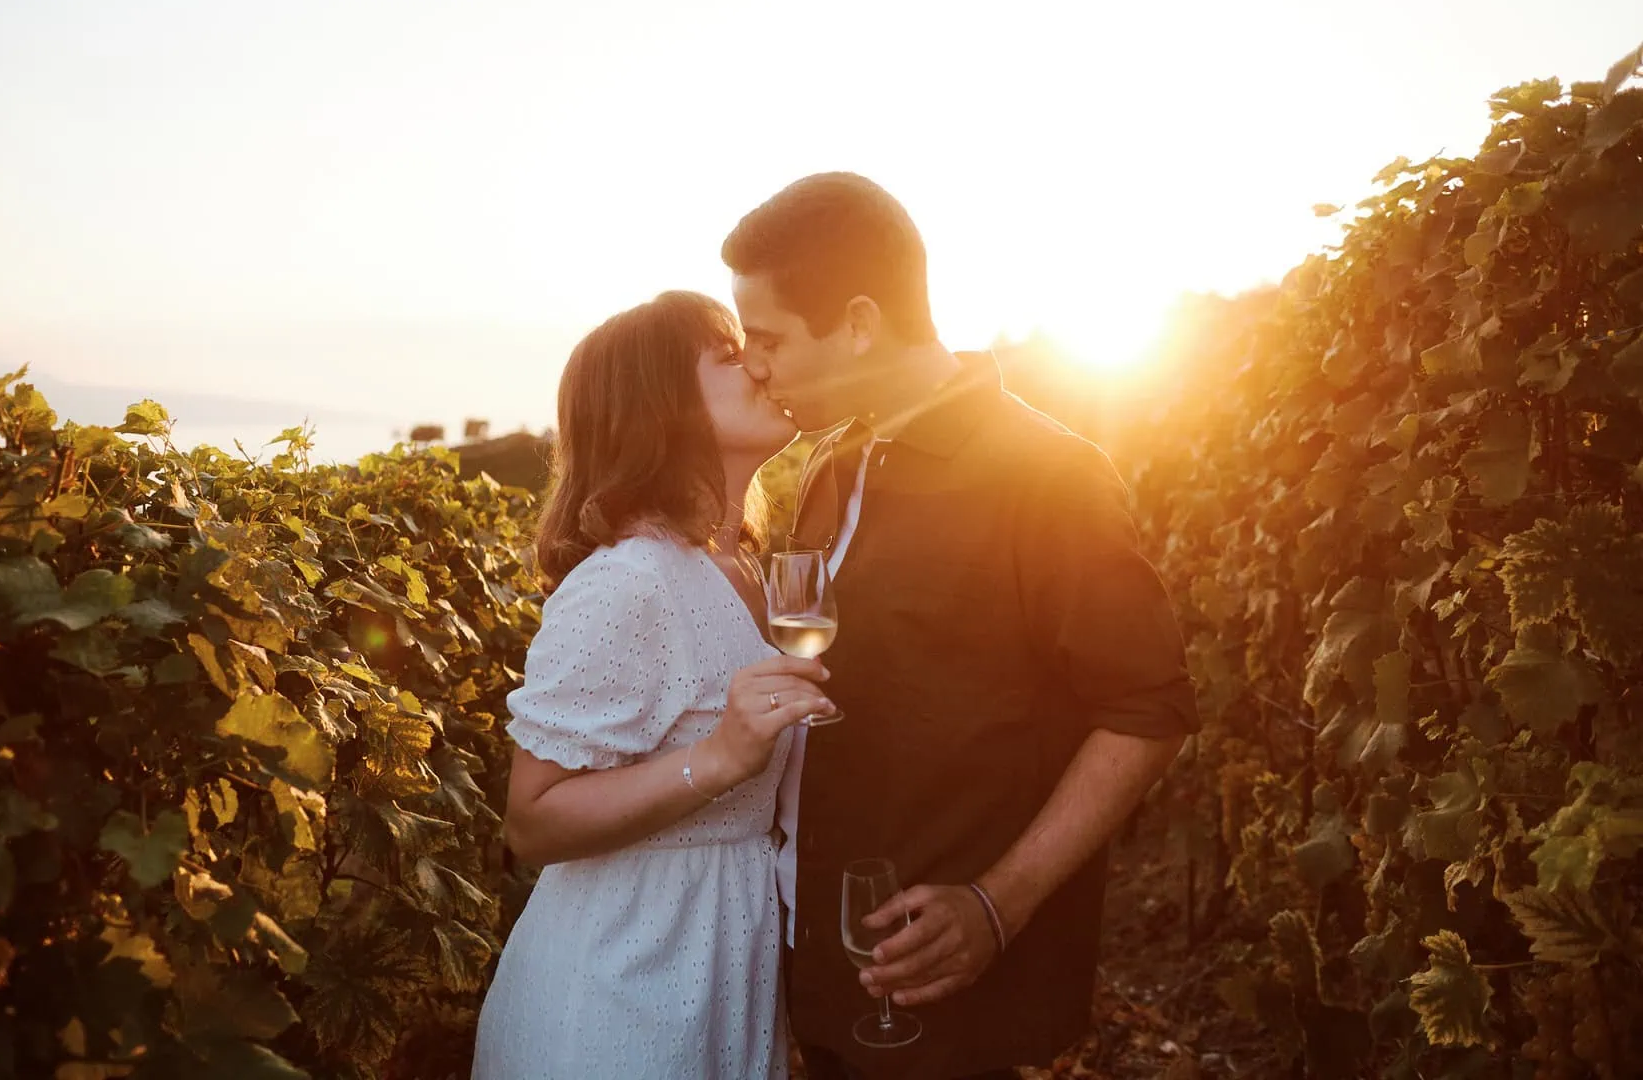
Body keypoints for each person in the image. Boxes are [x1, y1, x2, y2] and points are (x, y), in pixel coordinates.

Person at [723, 173, 1201, 1080]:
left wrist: (997, 904)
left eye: (770, 337)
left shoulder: (1047, 475)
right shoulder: (833, 459)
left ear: (859, 323)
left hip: (957, 1012)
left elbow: (1148, 712)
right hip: (827, 982)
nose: (755, 363)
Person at [472, 291, 834, 1080]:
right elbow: (531, 821)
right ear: (660, 404)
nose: (762, 366)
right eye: (731, 356)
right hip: (622, 982)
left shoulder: (744, 569)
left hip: (720, 958)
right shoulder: (626, 583)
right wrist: (720, 757)